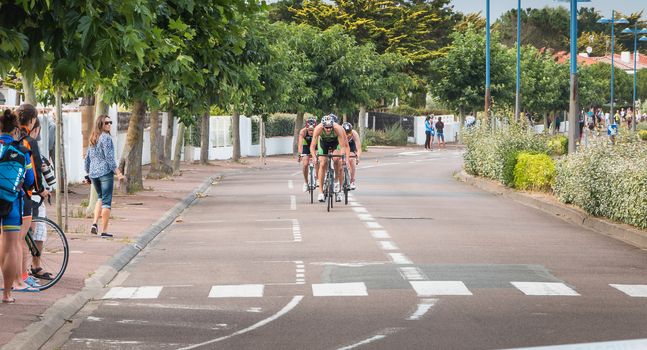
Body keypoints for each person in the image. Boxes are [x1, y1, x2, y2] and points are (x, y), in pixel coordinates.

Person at [1, 109, 36, 303]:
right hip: (11, 201)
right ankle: (7, 293)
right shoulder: (22, 151)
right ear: (15, 130)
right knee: (11, 245)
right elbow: (30, 180)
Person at [16, 103, 49, 289]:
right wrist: (41, 189)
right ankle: (22, 277)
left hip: (8, 189)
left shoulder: (13, 136)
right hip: (24, 193)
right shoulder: (29, 140)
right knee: (22, 236)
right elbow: (34, 168)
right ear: (33, 120)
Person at [85, 115, 125, 238]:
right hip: (105, 173)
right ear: (100, 124)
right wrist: (118, 172)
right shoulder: (106, 138)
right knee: (107, 201)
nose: (109, 125)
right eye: (106, 123)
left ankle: (94, 224)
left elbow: (87, 158)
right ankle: (104, 231)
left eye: (110, 122)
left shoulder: (93, 138)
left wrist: (87, 174)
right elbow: (109, 158)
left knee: (100, 198)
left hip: (94, 174)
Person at [310, 115, 349, 203]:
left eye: (330, 127)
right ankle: (320, 192)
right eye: (326, 127)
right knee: (323, 163)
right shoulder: (318, 128)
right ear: (323, 126)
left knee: (336, 159)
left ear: (333, 125)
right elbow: (312, 146)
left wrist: (343, 157)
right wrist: (314, 157)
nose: (328, 129)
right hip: (323, 143)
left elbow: (343, 146)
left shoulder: (337, 128)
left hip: (335, 142)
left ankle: (336, 182)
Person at [297, 117, 317, 192]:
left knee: (318, 161)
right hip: (306, 146)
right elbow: (300, 144)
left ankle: (318, 178)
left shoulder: (318, 131)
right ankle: (305, 182)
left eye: (313, 130)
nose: (311, 132)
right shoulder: (303, 132)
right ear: (306, 128)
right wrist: (300, 154)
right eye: (310, 130)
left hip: (316, 146)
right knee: (305, 164)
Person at [342, 122, 361, 190]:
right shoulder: (339, 133)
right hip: (342, 147)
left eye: (349, 133)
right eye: (345, 133)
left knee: (352, 158)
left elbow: (358, 148)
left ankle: (352, 180)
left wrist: (357, 157)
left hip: (351, 147)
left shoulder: (354, 134)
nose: (347, 135)